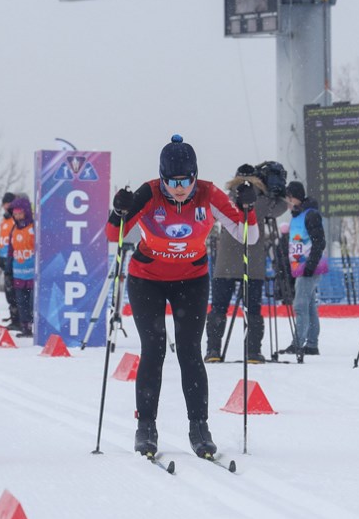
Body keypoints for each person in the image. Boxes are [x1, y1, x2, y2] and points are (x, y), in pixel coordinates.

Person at [108, 134, 258, 458]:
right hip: (147, 279)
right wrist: (118, 211)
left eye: (186, 180)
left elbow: (249, 234)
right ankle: (146, 427)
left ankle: (199, 428)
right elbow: (113, 235)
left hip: (191, 280)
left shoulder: (207, 193)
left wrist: (247, 209)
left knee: (190, 351)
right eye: (172, 181)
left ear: (195, 176)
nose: (180, 188)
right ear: (162, 178)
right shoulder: (149, 194)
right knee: (154, 348)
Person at [205, 164, 288, 364]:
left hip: (224, 263)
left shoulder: (227, 198)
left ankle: (213, 350)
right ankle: (252, 352)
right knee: (253, 309)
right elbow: (282, 207)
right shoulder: (262, 200)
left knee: (218, 308)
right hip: (252, 262)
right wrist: (276, 190)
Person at [282, 181, 326, 357]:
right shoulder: (297, 216)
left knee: (300, 306)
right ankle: (312, 344)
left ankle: (298, 343)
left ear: (295, 198)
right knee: (308, 306)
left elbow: (319, 242)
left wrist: (310, 266)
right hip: (302, 267)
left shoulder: (310, 215)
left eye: (289, 198)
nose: (288, 202)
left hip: (309, 268)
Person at [8, 195, 35, 337]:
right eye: (15, 214)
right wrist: (8, 270)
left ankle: (32, 324)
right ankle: (25, 327)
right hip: (18, 272)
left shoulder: (33, 228)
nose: (17, 216)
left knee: (31, 303)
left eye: (20, 213)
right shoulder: (14, 229)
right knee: (21, 303)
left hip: (31, 273)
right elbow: (10, 251)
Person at [0, 192, 20, 328]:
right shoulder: (3, 221)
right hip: (4, 259)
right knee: (8, 291)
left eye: (10, 204)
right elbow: (4, 241)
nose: (7, 206)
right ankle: (13, 316)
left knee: (14, 291)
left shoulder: (15, 221)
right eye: (5, 204)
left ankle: (18, 319)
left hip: (14, 260)